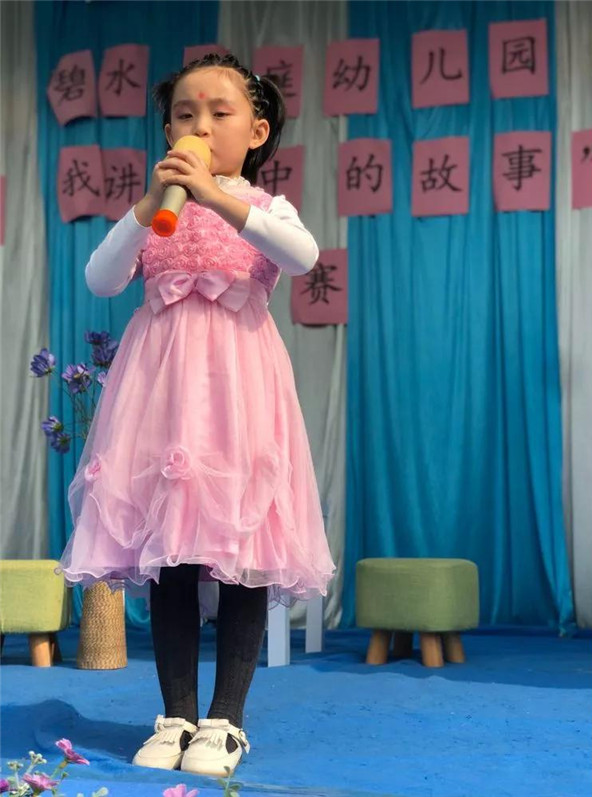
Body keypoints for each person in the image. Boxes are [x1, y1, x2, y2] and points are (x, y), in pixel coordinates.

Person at [57, 53, 335, 778]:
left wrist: (216, 195)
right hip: (161, 394)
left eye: (219, 112)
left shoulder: (265, 206)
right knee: (170, 553)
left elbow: (301, 256)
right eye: (185, 114)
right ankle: (176, 714)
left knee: (243, 550)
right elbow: (101, 278)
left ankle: (225, 721)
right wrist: (153, 204)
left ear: (257, 130)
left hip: (239, 393)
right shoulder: (159, 210)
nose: (200, 126)